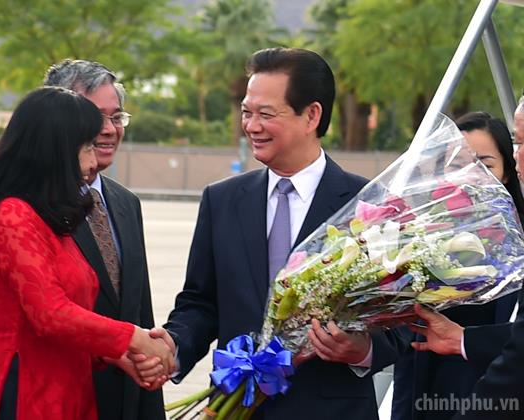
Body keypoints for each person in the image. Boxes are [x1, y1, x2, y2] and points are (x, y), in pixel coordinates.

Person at [149, 47, 405, 419]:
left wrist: (362, 350)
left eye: (266, 114)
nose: (252, 126)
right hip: (237, 407)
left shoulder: (369, 205)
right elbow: (201, 303)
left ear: (312, 115)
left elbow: (401, 322)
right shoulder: (221, 200)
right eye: (246, 112)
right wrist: (173, 346)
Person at [0, 86, 172, 420]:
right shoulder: (13, 215)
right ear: (56, 151)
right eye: (86, 147)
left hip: (64, 393)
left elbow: (64, 322)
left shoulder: (49, 218)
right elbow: (50, 314)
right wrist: (133, 338)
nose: (92, 161)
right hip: (22, 394)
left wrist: (113, 355)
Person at [43, 60, 166, 420]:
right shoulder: (30, 206)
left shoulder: (126, 203)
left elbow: (139, 311)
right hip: (58, 398)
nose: (109, 129)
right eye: (95, 117)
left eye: (117, 117)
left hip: (123, 399)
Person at [391, 111, 524, 420]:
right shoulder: (417, 241)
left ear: (508, 171)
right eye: (457, 165)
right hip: (432, 399)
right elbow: (409, 355)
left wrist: (466, 340)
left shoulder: (518, 244)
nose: (470, 176)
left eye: (485, 165)